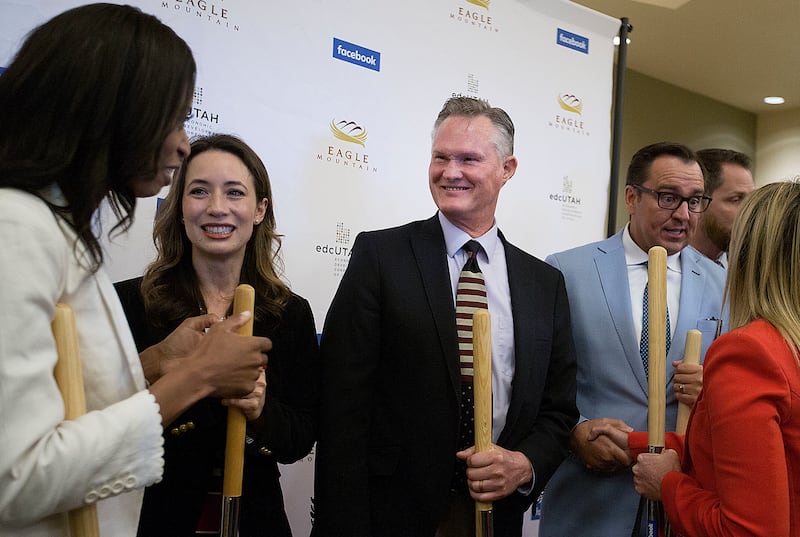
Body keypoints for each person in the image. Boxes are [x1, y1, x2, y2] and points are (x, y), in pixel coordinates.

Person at [0, 6, 270, 536]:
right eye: (172, 118)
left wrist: (155, 364)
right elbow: (17, 476)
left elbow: (68, 400)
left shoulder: (58, 232)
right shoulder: (17, 228)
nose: (184, 144)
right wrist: (197, 378)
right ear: (113, 111)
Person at [312, 96, 578, 537]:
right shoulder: (380, 257)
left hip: (498, 515)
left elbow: (559, 409)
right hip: (390, 517)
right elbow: (342, 405)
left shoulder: (544, 283)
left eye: (469, 159)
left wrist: (524, 464)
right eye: (441, 157)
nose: (450, 172)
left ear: (507, 169)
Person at [115, 133, 319, 537]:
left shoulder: (290, 314)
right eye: (199, 191)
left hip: (257, 520)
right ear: (179, 207)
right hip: (154, 517)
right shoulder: (129, 302)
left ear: (259, 209)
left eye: (235, 193)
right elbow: (101, 420)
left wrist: (261, 407)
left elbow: (300, 438)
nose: (216, 208)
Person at [539, 142, 728, 537]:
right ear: (631, 197)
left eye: (694, 201)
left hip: (683, 501)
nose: (682, 214)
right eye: (668, 197)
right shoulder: (566, 271)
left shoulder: (724, 285)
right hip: (588, 501)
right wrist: (575, 432)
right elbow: (540, 382)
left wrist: (711, 386)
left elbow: (733, 393)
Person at [592, 180, 800, 536]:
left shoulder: (750, 352)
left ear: (749, 255)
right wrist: (638, 442)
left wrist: (670, 484)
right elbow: (757, 454)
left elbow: (749, 530)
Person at [691, 148, 755, 267]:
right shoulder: (664, 270)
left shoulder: (751, 270)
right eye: (736, 199)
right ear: (698, 202)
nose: (749, 211)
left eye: (750, 200)